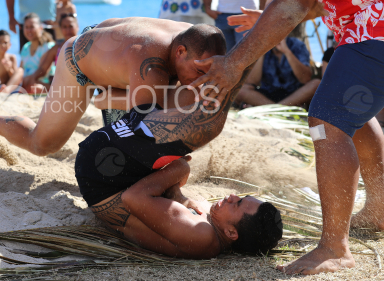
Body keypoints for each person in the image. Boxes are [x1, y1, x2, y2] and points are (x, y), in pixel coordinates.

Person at [190, 0, 384, 274]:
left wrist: (232, 65)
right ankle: (378, 211)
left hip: (373, 31)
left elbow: (295, 3)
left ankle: (334, 249)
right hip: (369, 27)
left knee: (327, 120)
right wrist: (269, 14)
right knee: (353, 116)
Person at [0, 20, 226, 157]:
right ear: (180, 52)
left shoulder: (192, 37)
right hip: (78, 61)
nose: (202, 78)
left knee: (178, 99)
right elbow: (151, 128)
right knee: (42, 144)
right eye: (200, 71)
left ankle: (111, 96)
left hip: (111, 52)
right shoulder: (152, 67)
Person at [76, 101, 283, 257]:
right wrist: (176, 185)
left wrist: (178, 169)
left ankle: (114, 99)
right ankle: (114, 99)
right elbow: (170, 197)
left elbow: (133, 198)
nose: (231, 196)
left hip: (99, 179)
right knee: (164, 106)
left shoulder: (203, 235)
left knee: (184, 128)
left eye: (237, 204)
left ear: (231, 233)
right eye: (239, 196)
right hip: (111, 174)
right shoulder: (212, 221)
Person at [235, 35, 320, 108]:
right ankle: (279, 109)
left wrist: (286, 51)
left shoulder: (298, 45)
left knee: (316, 84)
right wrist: (261, 53)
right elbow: (252, 82)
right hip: (267, 94)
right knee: (240, 89)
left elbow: (305, 79)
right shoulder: (262, 46)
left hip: (294, 94)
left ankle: (276, 109)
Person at [3, 13, 55, 93]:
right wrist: (9, 69)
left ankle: (6, 92)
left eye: (32, 27)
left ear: (40, 28)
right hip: (26, 82)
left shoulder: (48, 47)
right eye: (26, 27)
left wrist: (28, 79)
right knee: (19, 71)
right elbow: (21, 71)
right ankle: (5, 91)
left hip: (42, 83)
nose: (29, 30)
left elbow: (43, 72)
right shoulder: (26, 47)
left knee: (35, 87)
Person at [30, 12, 80, 85]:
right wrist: (32, 79)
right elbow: (43, 69)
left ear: (77, 27)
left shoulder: (84, 46)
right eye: (64, 27)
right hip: (63, 85)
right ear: (60, 29)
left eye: (70, 26)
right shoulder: (56, 49)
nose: (68, 30)